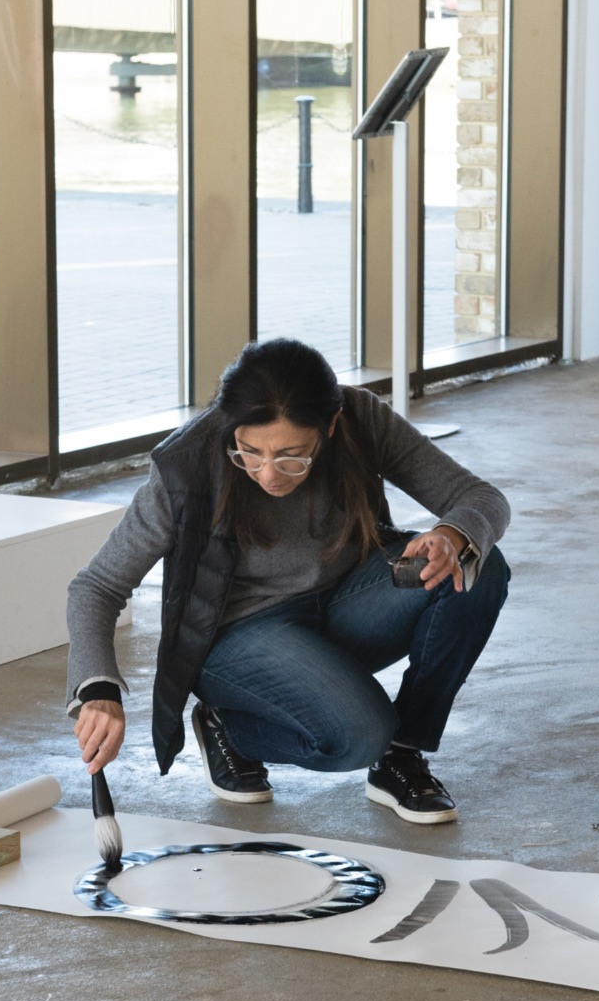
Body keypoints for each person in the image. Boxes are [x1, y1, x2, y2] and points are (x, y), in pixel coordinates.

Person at [64, 337, 510, 824]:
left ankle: (402, 754)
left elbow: (479, 497)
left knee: (478, 566)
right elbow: (98, 586)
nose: (269, 474)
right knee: (357, 737)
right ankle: (229, 729)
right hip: (238, 634)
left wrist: (450, 533)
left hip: (344, 601)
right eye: (249, 452)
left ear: (331, 425)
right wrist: (97, 691)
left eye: (292, 456)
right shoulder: (186, 465)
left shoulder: (359, 417)